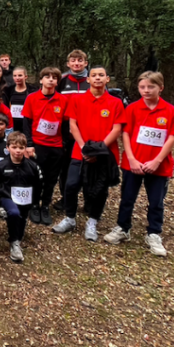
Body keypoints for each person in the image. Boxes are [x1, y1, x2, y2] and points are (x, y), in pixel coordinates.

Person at [104, 71, 174, 256]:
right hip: (133, 163)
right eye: (142, 87)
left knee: (156, 201)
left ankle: (154, 233)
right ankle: (123, 228)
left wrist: (157, 161)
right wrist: (131, 159)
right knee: (127, 198)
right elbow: (125, 133)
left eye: (151, 87)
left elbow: (172, 137)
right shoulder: (132, 109)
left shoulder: (170, 111)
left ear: (160, 88)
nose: (146, 90)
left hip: (159, 166)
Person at [52, 66, 124, 241]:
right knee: (71, 184)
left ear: (107, 79)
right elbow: (73, 125)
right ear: (88, 79)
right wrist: (84, 147)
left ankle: (92, 221)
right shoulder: (77, 100)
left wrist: (98, 150)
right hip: (80, 151)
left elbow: (117, 129)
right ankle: (70, 218)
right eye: (94, 75)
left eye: (101, 75)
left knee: (100, 189)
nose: (97, 78)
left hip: (105, 154)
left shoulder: (115, 102)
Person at [22, 67, 67, 226]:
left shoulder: (63, 100)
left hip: (56, 146)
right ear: (41, 80)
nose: (50, 79)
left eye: (54, 77)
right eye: (47, 77)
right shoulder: (31, 98)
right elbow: (26, 123)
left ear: (57, 82)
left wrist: (64, 145)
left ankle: (45, 205)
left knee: (51, 178)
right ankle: (34, 205)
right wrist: (29, 144)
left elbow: (66, 125)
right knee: (36, 177)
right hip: (37, 145)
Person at [0, 132, 43, 263]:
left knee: (21, 222)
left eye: (21, 148)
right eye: (14, 147)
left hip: (25, 200)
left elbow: (38, 185)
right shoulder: (2, 165)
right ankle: (14, 243)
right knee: (14, 213)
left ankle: (16, 236)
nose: (18, 151)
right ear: (7, 147)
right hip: (8, 197)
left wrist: (35, 202)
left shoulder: (33, 166)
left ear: (25, 148)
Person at [55, 50, 91, 211]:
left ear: (85, 63)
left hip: (88, 132)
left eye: (80, 60)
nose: (77, 63)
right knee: (66, 167)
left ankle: (89, 201)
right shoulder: (62, 80)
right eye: (73, 61)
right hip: (66, 133)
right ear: (68, 64)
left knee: (88, 167)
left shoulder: (92, 80)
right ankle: (66, 198)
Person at [3, 66, 37, 135]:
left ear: (25, 77)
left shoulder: (32, 90)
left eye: (20, 75)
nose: (17, 78)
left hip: (27, 123)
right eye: (15, 76)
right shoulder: (8, 90)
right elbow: (5, 107)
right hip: (12, 124)